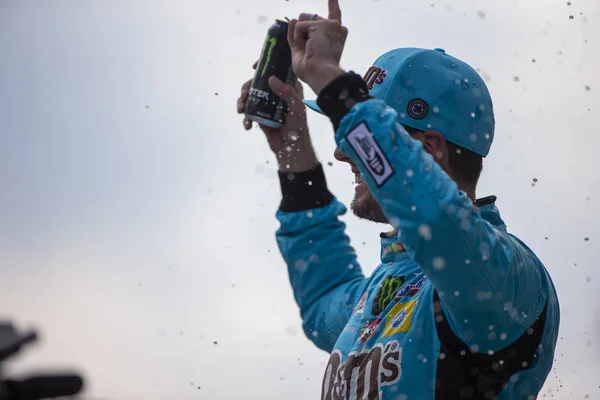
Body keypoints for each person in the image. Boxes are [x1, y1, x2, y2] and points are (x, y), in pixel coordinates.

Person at [237, 1, 559, 398]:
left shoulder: (504, 275)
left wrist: (333, 82)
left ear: (430, 149)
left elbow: (437, 218)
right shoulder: (385, 287)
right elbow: (323, 298)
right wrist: (292, 145)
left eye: (355, 131)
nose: (341, 152)